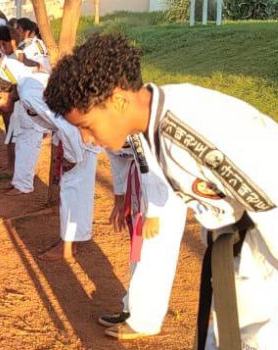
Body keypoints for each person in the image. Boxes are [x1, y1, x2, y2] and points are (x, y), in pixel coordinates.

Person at [44, 33, 278, 349]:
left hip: (264, 256)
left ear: (118, 100)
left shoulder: (186, 129)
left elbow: (270, 200)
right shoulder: (153, 124)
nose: (86, 139)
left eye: (87, 125)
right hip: (238, 251)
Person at [0, 73, 101, 261]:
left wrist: (72, 157)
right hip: (79, 133)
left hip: (81, 134)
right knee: (76, 191)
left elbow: (64, 122)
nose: (0, 113)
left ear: (0, 95)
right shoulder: (27, 87)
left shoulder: (28, 94)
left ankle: (68, 246)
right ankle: (72, 242)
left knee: (72, 190)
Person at [101, 138, 188, 340]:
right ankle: (132, 308)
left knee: (156, 253)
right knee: (138, 250)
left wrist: (154, 212)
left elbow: (153, 162)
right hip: (139, 184)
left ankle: (146, 319)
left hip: (164, 190)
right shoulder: (100, 128)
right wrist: (119, 200)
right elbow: (118, 161)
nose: (88, 139)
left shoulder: (134, 125)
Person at [0, 43, 43, 187]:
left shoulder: (9, 67)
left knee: (26, 142)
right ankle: (19, 178)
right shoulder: (0, 72)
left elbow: (21, 89)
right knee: (19, 141)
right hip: (22, 108)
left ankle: (22, 181)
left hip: (30, 105)